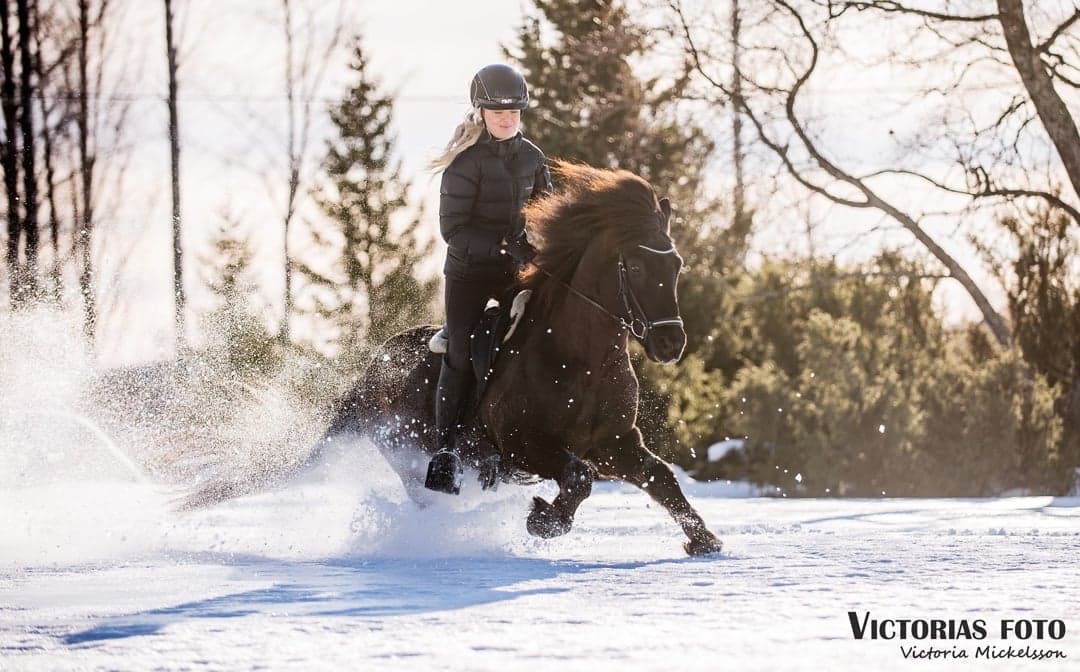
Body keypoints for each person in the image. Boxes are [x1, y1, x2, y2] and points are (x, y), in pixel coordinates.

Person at [424, 63, 552, 495]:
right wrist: (502, 244)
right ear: (480, 112)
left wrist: (549, 249)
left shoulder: (533, 158)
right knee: (460, 350)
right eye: (497, 111)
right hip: (468, 273)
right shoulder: (465, 163)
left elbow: (547, 213)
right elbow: (453, 231)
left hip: (514, 269)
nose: (506, 118)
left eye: (514, 111)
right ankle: (445, 451)